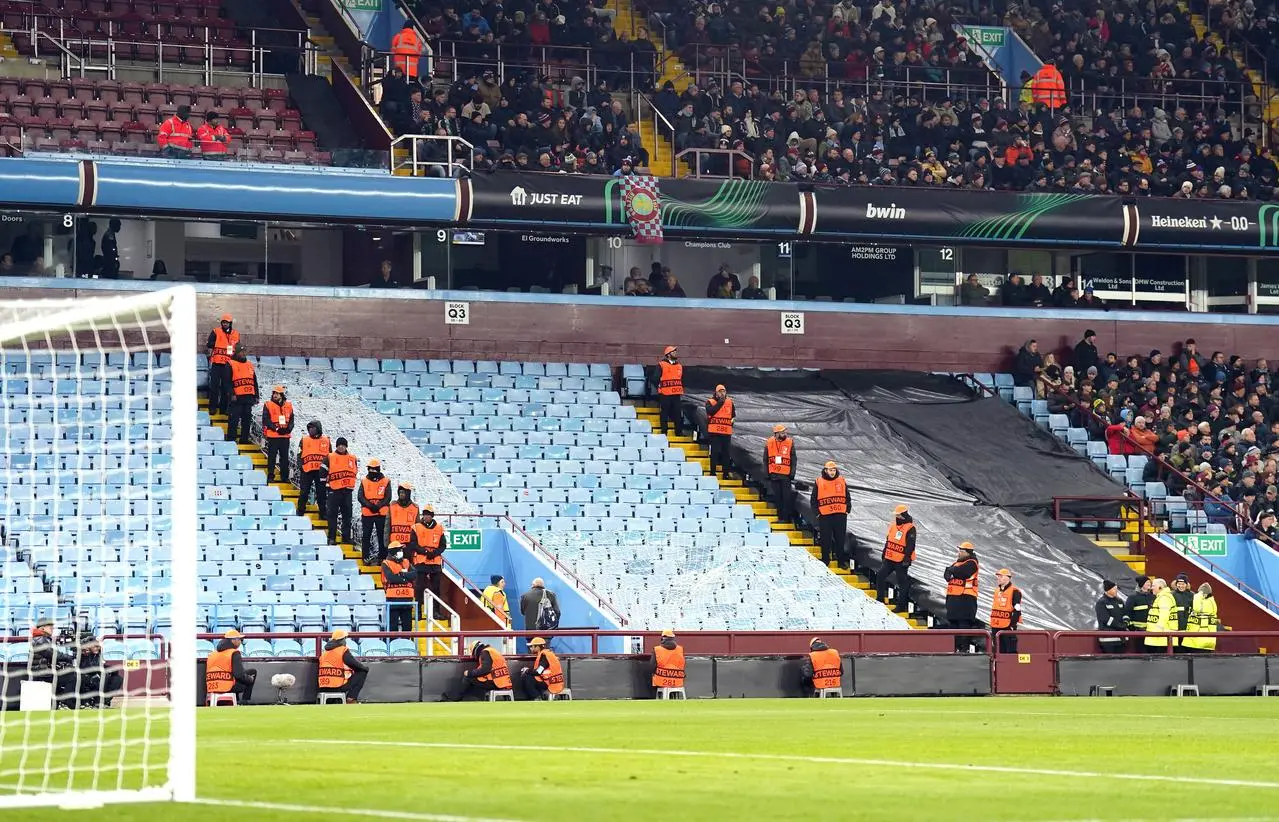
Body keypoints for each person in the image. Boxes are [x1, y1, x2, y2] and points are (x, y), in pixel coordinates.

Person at [408, 506, 447, 618]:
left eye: (428, 514)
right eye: (424, 514)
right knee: (419, 587)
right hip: (421, 561)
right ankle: (418, 612)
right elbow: (413, 544)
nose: (426, 516)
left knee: (436, 588)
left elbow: (443, 545)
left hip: (435, 562)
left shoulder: (439, 528)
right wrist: (425, 552)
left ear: (432, 516)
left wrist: (434, 553)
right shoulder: (416, 527)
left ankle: (436, 612)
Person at [811, 461, 850, 569]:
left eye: (834, 470)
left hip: (840, 515)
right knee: (825, 539)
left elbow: (847, 497)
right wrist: (818, 513)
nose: (832, 472)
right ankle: (825, 560)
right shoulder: (819, 481)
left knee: (840, 539)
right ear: (825, 470)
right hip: (825, 515)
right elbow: (813, 499)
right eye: (830, 470)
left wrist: (847, 510)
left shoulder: (841, 480)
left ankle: (840, 561)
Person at [442, 641, 512, 701]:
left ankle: (455, 698)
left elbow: (485, 669)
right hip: (504, 681)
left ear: (475, 650)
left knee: (468, 678)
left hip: (496, 682)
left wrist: (470, 673)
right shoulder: (492, 651)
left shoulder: (485, 653)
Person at [876, 504, 915, 608]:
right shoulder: (893, 525)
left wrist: (906, 559)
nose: (896, 517)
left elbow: (911, 545)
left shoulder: (910, 528)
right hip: (890, 558)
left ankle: (901, 605)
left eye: (898, 515)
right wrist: (884, 552)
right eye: (896, 515)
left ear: (903, 515)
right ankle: (879, 599)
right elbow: (888, 540)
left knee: (902, 582)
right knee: (880, 575)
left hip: (901, 560)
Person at [943, 542, 980, 652]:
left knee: (964, 625)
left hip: (966, 599)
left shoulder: (972, 563)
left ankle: (964, 649)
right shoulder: (956, 563)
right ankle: (956, 648)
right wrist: (950, 571)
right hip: (953, 599)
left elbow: (962, 573)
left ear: (968, 552)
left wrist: (951, 570)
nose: (959, 553)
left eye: (961, 551)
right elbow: (947, 574)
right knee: (953, 626)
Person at [317, 629, 369, 703]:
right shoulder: (342, 650)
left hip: (322, 687)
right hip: (336, 686)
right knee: (362, 671)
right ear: (342, 639)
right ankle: (351, 699)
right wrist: (365, 668)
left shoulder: (325, 652)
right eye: (345, 638)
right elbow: (354, 664)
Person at [204, 629, 256, 704]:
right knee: (251, 675)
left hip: (211, 687)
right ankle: (244, 702)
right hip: (227, 686)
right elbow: (239, 675)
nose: (240, 642)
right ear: (233, 640)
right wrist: (250, 679)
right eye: (239, 639)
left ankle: (236, 701)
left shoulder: (212, 654)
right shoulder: (234, 653)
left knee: (243, 675)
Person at [204, 313, 238, 418]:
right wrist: (218, 343)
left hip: (228, 365)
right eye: (223, 322)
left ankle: (223, 409)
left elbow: (238, 348)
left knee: (226, 388)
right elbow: (209, 343)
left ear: (230, 323)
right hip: (217, 363)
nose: (225, 324)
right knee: (214, 386)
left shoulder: (236, 334)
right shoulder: (216, 331)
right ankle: (212, 407)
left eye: (227, 322)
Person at [358, 459, 391, 566]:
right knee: (366, 536)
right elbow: (360, 497)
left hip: (381, 513)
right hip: (367, 513)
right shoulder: (364, 481)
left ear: (378, 469)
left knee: (382, 536)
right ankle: (365, 557)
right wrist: (370, 506)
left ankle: (382, 557)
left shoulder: (386, 481)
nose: (372, 471)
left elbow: (388, 497)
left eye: (374, 469)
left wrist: (378, 506)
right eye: (370, 469)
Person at [325, 437, 358, 545]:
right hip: (334, 491)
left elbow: (355, 471)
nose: (341, 447)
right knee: (332, 515)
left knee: (347, 516)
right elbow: (322, 472)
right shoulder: (330, 457)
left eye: (343, 445)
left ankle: (346, 537)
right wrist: (327, 487)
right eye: (339, 445)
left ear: (346, 446)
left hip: (347, 491)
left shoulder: (352, 458)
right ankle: (332, 538)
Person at [296, 420, 331, 517]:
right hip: (307, 470)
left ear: (318, 429)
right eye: (310, 428)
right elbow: (299, 454)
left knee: (321, 493)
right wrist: (301, 466)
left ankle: (323, 512)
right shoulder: (304, 440)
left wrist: (328, 471)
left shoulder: (326, 440)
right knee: (304, 491)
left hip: (321, 472)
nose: (311, 430)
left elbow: (330, 457)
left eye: (313, 428)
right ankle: (300, 509)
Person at [763, 424, 797, 522]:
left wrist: (792, 473)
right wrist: (767, 473)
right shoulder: (769, 442)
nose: (784, 433)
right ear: (777, 433)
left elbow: (794, 459)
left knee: (786, 498)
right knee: (778, 498)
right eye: (782, 432)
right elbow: (765, 459)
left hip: (786, 476)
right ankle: (780, 517)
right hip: (774, 475)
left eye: (785, 432)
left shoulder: (790, 442)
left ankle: (786, 518)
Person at [225, 344, 258, 445]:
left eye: (244, 352)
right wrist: (231, 394)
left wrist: (256, 395)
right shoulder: (230, 364)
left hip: (248, 397)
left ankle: (244, 439)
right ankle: (231, 439)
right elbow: (227, 382)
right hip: (237, 397)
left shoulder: (249, 364)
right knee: (234, 419)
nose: (243, 354)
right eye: (241, 352)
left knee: (247, 420)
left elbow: (254, 381)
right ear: (236, 353)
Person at [261, 384, 293, 485]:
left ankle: (284, 477)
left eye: (277, 393)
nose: (275, 395)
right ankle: (271, 476)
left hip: (285, 436)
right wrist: (276, 428)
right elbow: (266, 419)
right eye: (274, 393)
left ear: (282, 395)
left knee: (285, 458)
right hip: (273, 435)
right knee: (272, 457)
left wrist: (288, 429)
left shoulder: (289, 405)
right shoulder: (268, 404)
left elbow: (292, 420)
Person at [381, 542, 416, 632]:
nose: (401, 551)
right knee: (392, 627)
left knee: (408, 627)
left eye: (401, 549)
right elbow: (391, 578)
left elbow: (414, 574)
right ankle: (393, 644)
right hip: (393, 600)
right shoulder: (386, 563)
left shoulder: (406, 562)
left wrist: (402, 574)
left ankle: (407, 645)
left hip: (407, 600)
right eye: (399, 550)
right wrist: (405, 579)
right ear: (393, 552)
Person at [518, 578, 560, 651]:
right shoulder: (551, 595)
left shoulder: (525, 596)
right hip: (546, 632)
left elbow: (523, 612)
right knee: (545, 655)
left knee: (532, 657)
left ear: (533, 585)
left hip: (531, 632)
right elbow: (557, 612)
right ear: (543, 585)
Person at [517, 636, 565, 701]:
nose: (530, 648)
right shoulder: (548, 654)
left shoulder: (544, 656)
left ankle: (537, 698)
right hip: (554, 681)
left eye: (532, 646)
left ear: (537, 647)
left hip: (550, 683)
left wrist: (526, 670)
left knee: (527, 677)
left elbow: (538, 672)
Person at [704, 384, 735, 479]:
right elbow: (711, 411)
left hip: (726, 432)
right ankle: (713, 472)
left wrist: (731, 423)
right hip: (715, 432)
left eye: (724, 392)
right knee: (715, 452)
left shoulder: (730, 402)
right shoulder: (710, 402)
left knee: (726, 453)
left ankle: (725, 473)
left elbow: (733, 415)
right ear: (716, 393)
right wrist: (720, 402)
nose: (722, 393)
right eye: (720, 392)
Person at [989, 568, 1022, 654]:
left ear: (1008, 578)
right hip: (995, 625)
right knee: (999, 651)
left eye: (1001, 576)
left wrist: (1012, 624)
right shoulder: (997, 591)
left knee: (1010, 650)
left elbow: (1017, 609)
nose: (998, 578)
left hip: (1007, 625)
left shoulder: (1014, 591)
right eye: (998, 576)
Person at [655, 345, 685, 437]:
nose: (675, 353)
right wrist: (659, 386)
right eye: (673, 352)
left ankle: (678, 432)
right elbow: (655, 378)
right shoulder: (661, 365)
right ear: (668, 354)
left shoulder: (679, 366)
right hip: (665, 393)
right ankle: (664, 431)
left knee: (677, 413)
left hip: (676, 393)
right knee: (664, 413)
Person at [1182, 582, 1218, 653]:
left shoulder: (1202, 603)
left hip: (1196, 642)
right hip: (1209, 641)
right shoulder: (1212, 603)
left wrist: (1198, 595)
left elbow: (1196, 608)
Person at [1122, 574, 1154, 652]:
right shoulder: (1133, 597)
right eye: (1147, 582)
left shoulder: (1153, 597)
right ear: (1141, 585)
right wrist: (1132, 627)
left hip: (1152, 631)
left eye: (1150, 582)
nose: (1149, 584)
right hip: (1139, 632)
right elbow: (1127, 613)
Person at [1144, 577, 1176, 653]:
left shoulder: (1164, 598)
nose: (1151, 588)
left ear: (1160, 587)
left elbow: (1164, 615)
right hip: (1160, 638)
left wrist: (1157, 632)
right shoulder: (1162, 597)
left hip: (1161, 638)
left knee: (1160, 662)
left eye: (1153, 586)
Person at [387, 482, 419, 554]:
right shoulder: (392, 506)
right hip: (394, 544)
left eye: (403, 492)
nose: (401, 494)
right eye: (400, 492)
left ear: (408, 494)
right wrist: (386, 543)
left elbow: (418, 527)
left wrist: (416, 544)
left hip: (409, 545)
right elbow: (387, 526)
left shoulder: (415, 507)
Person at [1095, 579, 1126, 653]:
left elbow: (1124, 614)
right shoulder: (1101, 602)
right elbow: (1105, 619)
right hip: (1108, 640)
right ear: (1108, 590)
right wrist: (1120, 625)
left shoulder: (1120, 601)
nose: (1116, 591)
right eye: (1114, 589)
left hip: (1120, 639)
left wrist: (1126, 622)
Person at [651, 629, 685, 695]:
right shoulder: (680, 649)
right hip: (677, 681)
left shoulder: (657, 649)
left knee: (652, 677)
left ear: (663, 638)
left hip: (661, 681)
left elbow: (652, 666)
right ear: (673, 638)